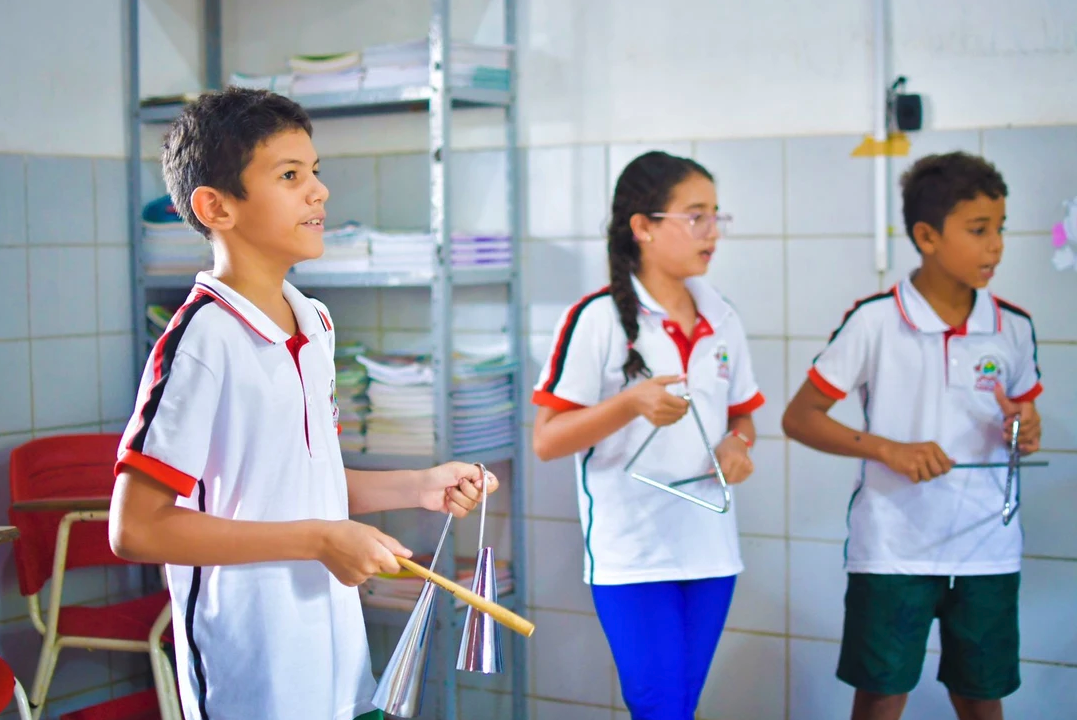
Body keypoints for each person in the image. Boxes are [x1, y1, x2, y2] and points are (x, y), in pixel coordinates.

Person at [108, 87, 498, 720]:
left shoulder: (315, 322)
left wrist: (420, 486)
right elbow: (136, 528)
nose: (319, 191)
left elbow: (303, 481)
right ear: (215, 206)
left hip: (335, 660)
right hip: (252, 671)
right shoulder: (201, 341)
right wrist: (319, 540)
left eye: (315, 171)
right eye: (290, 176)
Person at [782, 151, 1043, 720]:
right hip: (893, 549)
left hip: (986, 550)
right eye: (979, 230)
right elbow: (800, 417)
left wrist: (1023, 429)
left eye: (1001, 229)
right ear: (927, 236)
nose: (996, 246)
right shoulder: (874, 321)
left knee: (981, 694)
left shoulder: (1013, 328)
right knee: (881, 692)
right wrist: (888, 450)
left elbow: (1023, 420)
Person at [531, 150, 764, 720]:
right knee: (659, 706)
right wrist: (629, 403)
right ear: (643, 227)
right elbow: (548, 440)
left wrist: (738, 444)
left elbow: (743, 417)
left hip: (711, 551)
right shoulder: (596, 319)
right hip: (634, 554)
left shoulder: (722, 317)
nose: (712, 232)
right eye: (696, 216)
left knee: (681, 704)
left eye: (716, 216)